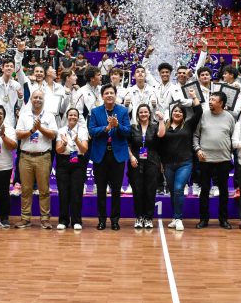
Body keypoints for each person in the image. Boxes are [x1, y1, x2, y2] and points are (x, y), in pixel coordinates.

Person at [87, 84, 131, 230]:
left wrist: (117, 126)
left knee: (116, 190)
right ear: (102, 96)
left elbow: (127, 132)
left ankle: (115, 220)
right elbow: (92, 131)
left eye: (112, 92)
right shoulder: (95, 112)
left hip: (117, 155)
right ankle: (101, 220)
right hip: (101, 155)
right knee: (100, 190)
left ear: (116, 94)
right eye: (106, 93)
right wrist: (106, 128)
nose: (109, 95)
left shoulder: (123, 111)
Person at [159, 91, 202, 231]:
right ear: (171, 113)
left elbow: (199, 111)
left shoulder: (188, 125)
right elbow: (159, 145)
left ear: (184, 115)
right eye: (175, 111)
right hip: (168, 165)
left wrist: (194, 96)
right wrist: (161, 163)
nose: (177, 113)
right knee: (173, 191)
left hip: (185, 163)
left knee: (178, 189)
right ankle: (174, 217)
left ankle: (178, 218)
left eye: (180, 112)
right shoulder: (164, 127)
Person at [14, 90, 58, 229]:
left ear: (43, 99)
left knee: (44, 190)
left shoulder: (50, 116)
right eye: (35, 97)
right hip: (25, 156)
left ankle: (45, 219)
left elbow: (53, 135)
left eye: (40, 97)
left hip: (43, 157)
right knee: (26, 189)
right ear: (31, 99)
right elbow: (19, 134)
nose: (37, 99)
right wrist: (32, 131)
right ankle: (25, 218)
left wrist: (40, 128)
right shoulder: (24, 115)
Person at [193, 91, 236, 230]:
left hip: (223, 160)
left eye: (213, 100)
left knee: (223, 191)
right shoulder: (203, 115)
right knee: (204, 190)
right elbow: (195, 135)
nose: (210, 102)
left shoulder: (229, 117)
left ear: (221, 103)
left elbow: (233, 138)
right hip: (205, 160)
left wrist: (230, 153)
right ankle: (203, 219)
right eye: (209, 99)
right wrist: (198, 150)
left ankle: (223, 220)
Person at [128, 104, 166, 228]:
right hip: (136, 162)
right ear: (137, 115)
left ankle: (148, 218)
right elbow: (127, 144)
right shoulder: (133, 128)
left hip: (152, 161)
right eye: (141, 112)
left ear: (149, 113)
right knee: (138, 190)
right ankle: (139, 218)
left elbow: (161, 135)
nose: (143, 114)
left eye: (145, 112)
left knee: (150, 190)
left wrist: (161, 120)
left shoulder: (155, 127)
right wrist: (131, 157)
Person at [55, 108, 89, 230]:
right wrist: (64, 143)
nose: (72, 117)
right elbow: (58, 150)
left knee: (76, 192)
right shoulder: (61, 131)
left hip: (78, 162)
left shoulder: (83, 131)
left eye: (75, 115)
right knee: (63, 192)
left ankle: (76, 220)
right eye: (70, 115)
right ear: (67, 117)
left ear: (78, 117)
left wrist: (76, 140)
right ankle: (63, 220)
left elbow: (84, 149)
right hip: (63, 162)